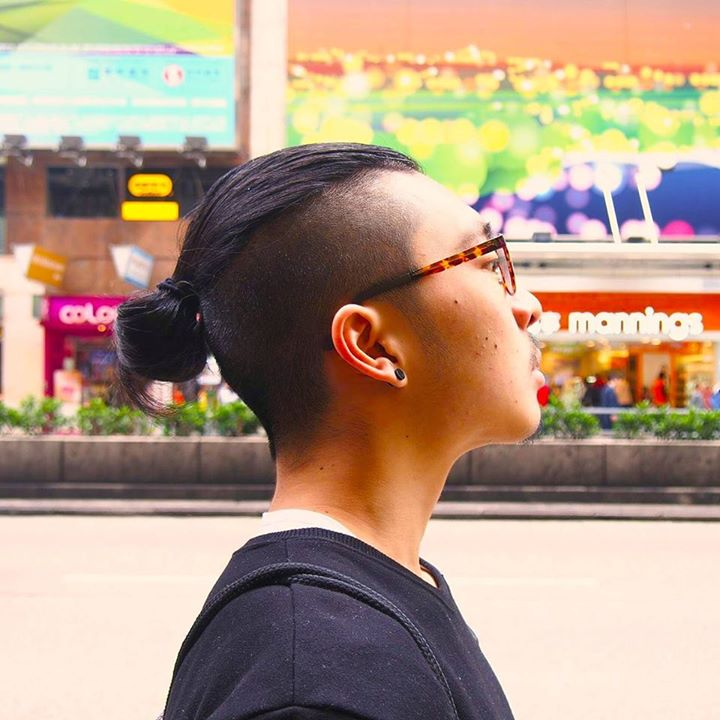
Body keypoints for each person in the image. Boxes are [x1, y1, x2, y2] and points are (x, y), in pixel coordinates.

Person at [115, 143, 543, 720]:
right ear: (372, 345)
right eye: (488, 262)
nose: (528, 306)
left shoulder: (365, 603)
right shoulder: (318, 674)